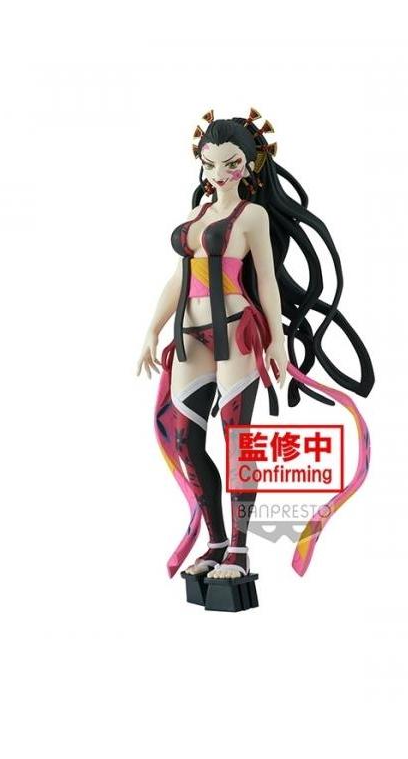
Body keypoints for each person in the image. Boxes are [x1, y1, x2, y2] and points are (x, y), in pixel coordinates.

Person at [137, 108, 374, 580]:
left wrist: (278, 341)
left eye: (230, 163)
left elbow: (266, 279)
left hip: (236, 328)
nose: (218, 173)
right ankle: (216, 541)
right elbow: (180, 276)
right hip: (189, 332)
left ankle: (239, 551)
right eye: (209, 163)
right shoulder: (196, 215)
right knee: (185, 439)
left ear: (250, 164)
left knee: (237, 441)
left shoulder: (253, 216)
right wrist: (152, 328)